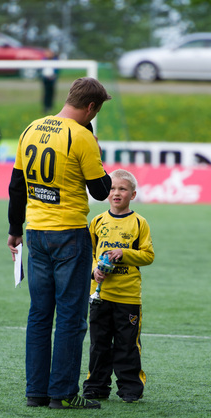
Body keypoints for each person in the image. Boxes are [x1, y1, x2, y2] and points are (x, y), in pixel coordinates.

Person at [7, 77, 112, 410]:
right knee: (70, 317)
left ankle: (35, 392)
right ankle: (63, 394)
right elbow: (100, 190)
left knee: (39, 314)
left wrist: (14, 229)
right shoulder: (82, 137)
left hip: (35, 233)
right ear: (91, 107)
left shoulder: (31, 128)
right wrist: (95, 147)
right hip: (69, 235)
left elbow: (16, 186)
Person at [83, 169, 155, 403]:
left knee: (127, 345)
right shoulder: (97, 221)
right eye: (112, 189)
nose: (116, 193)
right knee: (99, 344)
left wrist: (123, 253)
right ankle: (96, 386)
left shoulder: (139, 223)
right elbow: (91, 253)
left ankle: (130, 388)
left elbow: (148, 255)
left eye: (122, 189)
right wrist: (95, 269)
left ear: (132, 195)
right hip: (100, 296)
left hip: (128, 297)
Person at [41, 49, 58, 114]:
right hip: (45, 78)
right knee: (46, 93)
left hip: (52, 78)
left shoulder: (55, 60)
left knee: (51, 92)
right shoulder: (44, 60)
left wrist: (54, 76)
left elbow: (56, 70)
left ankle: (50, 106)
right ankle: (46, 106)